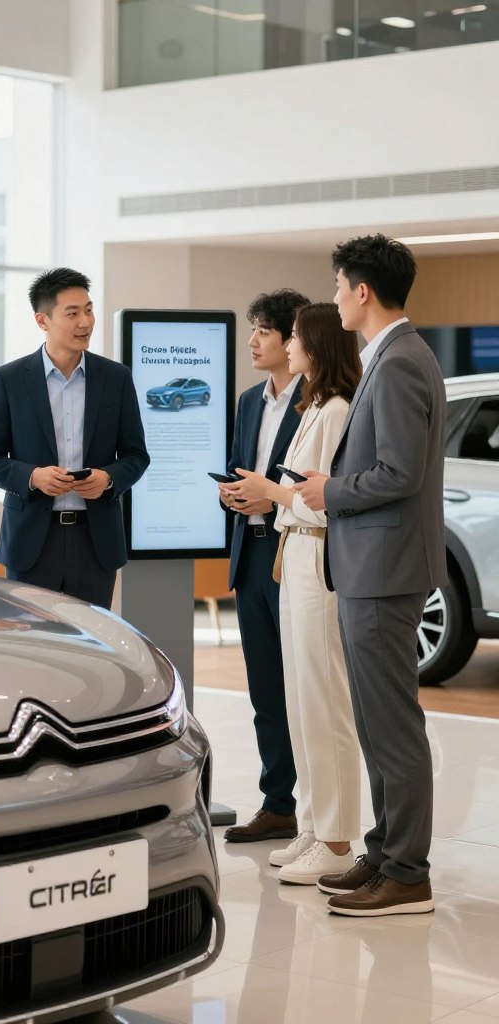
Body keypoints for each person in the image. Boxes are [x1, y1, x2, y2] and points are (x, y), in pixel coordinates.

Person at [296, 234, 445, 917]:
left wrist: (331, 490)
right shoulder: (389, 357)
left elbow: (399, 473)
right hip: (370, 568)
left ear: (362, 291)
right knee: (379, 719)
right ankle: (385, 852)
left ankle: (407, 872)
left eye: (337, 287)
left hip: (384, 570)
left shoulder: (401, 361)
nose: (332, 299)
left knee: (392, 726)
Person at [230, 302, 364, 884]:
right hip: (296, 555)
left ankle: (336, 840)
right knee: (300, 699)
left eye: (294, 338)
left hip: (315, 555)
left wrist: (273, 493)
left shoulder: (334, 410)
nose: (285, 347)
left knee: (323, 701)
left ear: (314, 345)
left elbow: (320, 496)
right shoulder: (315, 406)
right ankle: (312, 825)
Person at [0, 267, 149, 610]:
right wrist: (32, 477)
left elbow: (136, 455)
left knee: (91, 648)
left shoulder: (116, 378)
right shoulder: (9, 380)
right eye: (72, 313)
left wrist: (109, 479)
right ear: (43, 320)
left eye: (89, 310)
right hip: (31, 542)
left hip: (95, 541)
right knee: (32, 647)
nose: (85, 322)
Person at [219, 288, 309, 844]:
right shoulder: (251, 400)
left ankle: (318, 809)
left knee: (304, 688)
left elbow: (308, 487)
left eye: (262, 332)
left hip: (292, 557)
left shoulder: (319, 402)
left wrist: (269, 498)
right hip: (249, 557)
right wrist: (232, 495)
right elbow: (237, 467)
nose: (251, 341)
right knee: (264, 692)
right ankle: (278, 803)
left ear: (291, 338)